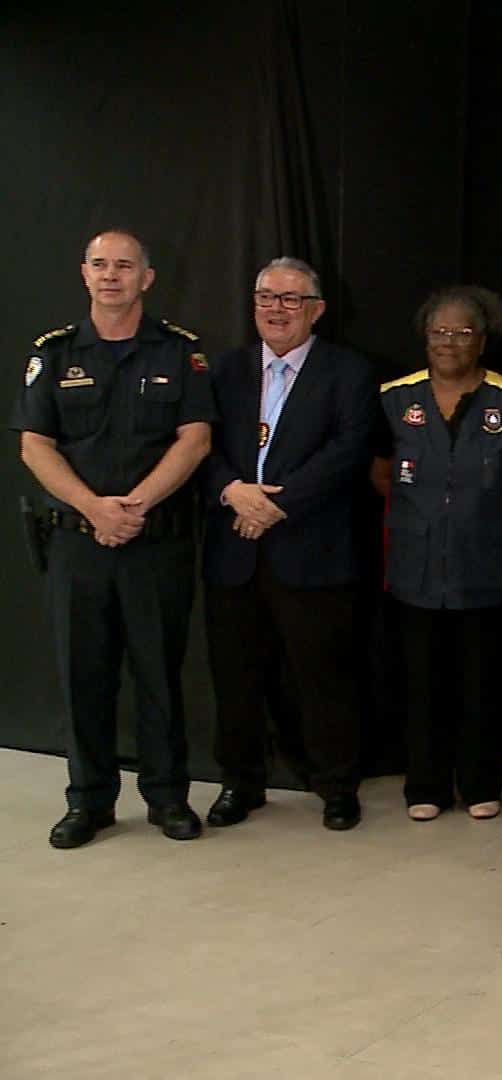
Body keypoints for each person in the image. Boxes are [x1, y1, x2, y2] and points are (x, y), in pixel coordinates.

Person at [15, 230, 214, 849]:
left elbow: (196, 439)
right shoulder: (53, 352)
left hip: (155, 542)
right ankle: (90, 801)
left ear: (146, 278)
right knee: (84, 677)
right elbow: (34, 444)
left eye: (124, 266)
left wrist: (134, 507)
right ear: (84, 273)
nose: (111, 276)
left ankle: (167, 798)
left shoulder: (180, 352)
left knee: (158, 674)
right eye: (100, 265)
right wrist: (93, 509)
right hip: (78, 543)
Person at [201, 256, 377, 832]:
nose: (277, 309)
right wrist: (233, 492)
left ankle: (335, 787)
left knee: (323, 678)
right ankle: (241, 783)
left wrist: (275, 504)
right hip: (234, 549)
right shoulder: (221, 371)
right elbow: (198, 445)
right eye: (266, 298)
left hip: (313, 550)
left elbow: (349, 451)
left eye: (291, 299)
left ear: (317, 309)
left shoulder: (348, 371)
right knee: (236, 678)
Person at [372, 285, 502, 822]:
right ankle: (425, 785)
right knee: (420, 681)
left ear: (482, 340)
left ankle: (480, 782)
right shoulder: (394, 397)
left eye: (461, 332)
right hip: (414, 566)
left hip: (483, 565)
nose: (448, 342)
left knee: (480, 682)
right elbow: (381, 474)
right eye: (438, 332)